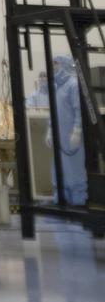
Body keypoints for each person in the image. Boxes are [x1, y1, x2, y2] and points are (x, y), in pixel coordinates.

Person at [48, 55, 87, 206]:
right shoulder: (56, 86)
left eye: (56, 63)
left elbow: (78, 110)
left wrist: (77, 130)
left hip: (71, 136)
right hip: (59, 136)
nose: (53, 66)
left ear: (64, 64)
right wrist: (50, 129)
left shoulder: (73, 85)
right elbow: (53, 111)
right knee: (59, 168)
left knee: (74, 169)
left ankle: (78, 200)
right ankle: (61, 198)